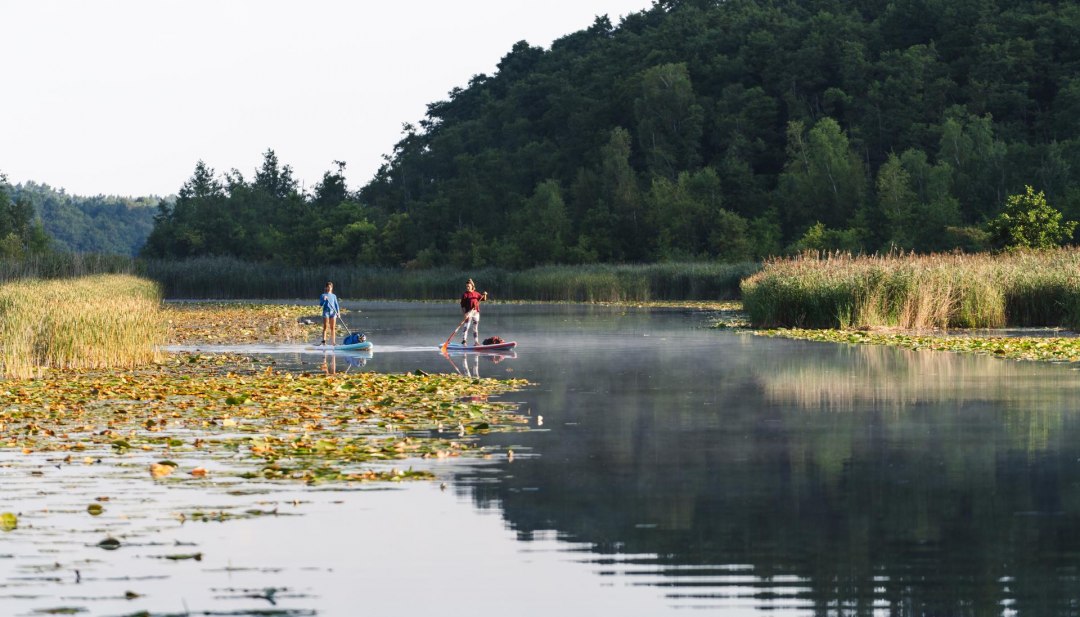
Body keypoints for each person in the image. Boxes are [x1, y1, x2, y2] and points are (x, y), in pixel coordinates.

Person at [458, 278, 487, 346]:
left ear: (472, 286)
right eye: (466, 286)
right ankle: (464, 341)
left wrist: (485, 294)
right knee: (466, 327)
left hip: (476, 313)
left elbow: (484, 299)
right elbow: (462, 306)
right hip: (468, 313)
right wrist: (465, 314)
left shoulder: (476, 294)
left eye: (468, 286)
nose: (467, 287)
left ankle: (476, 342)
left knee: (475, 328)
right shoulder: (465, 295)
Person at [319, 281, 340, 346]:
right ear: (325, 288)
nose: (329, 288)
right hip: (326, 312)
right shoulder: (323, 295)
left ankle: (333, 343)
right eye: (327, 287)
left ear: (332, 288)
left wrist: (338, 313)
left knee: (333, 328)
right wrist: (324, 300)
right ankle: (323, 342)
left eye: (330, 287)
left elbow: (336, 305)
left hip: (333, 312)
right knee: (325, 327)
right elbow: (321, 304)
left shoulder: (334, 296)